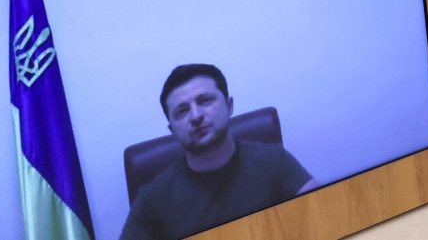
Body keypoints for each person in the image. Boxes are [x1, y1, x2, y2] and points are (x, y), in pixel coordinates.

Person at [119, 64, 317, 240]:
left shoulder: (274, 161)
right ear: (172, 130)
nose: (196, 116)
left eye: (205, 100)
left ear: (229, 106)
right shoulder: (152, 199)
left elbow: (323, 213)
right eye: (182, 111)